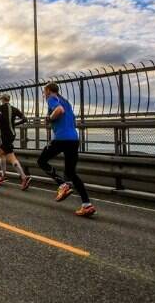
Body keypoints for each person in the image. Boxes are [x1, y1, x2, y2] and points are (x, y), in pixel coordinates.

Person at [37, 83, 96, 217]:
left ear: (48, 91)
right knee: (71, 173)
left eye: (44, 91)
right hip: (74, 139)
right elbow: (69, 120)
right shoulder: (66, 102)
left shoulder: (52, 99)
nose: (43, 94)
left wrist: (49, 118)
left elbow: (59, 111)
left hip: (62, 139)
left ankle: (62, 184)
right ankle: (87, 205)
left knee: (41, 161)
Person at [0, 93, 31, 190]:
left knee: (4, 155)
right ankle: (8, 176)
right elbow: (25, 119)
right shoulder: (14, 109)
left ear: (2, 99)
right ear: (9, 99)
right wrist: (14, 124)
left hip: (6, 135)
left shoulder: (1, 108)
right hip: (12, 134)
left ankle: (22, 177)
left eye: (1, 99)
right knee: (5, 154)